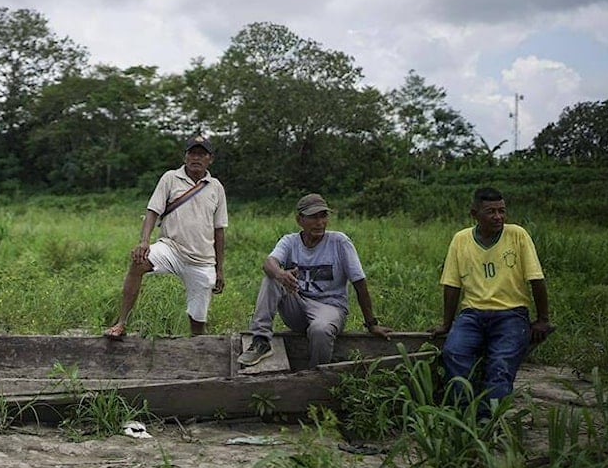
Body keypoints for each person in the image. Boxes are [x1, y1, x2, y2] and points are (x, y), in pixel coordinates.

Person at [238, 193, 392, 368]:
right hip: (298, 307)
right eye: (313, 217)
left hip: (330, 308)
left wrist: (371, 324)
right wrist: (281, 274)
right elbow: (269, 263)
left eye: (323, 216)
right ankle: (261, 341)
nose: (319, 223)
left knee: (320, 330)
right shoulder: (290, 241)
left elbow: (359, 283)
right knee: (272, 277)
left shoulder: (339, 242)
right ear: (299, 220)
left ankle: (315, 375)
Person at [437, 187, 553, 416]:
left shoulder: (517, 235)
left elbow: (536, 279)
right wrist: (446, 325)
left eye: (502, 211)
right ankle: (462, 413)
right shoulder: (461, 240)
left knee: (500, 365)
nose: (498, 217)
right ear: (475, 214)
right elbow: (452, 285)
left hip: (511, 314)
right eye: (491, 212)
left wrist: (542, 319)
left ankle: (486, 420)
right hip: (472, 314)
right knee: (453, 353)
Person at [103, 136, 227, 339]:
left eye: (201, 154)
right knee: (138, 262)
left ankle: (198, 345)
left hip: (202, 260)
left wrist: (219, 268)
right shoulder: (170, 178)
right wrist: (144, 241)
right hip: (171, 247)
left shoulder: (216, 187)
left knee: (198, 320)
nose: (196, 158)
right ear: (185, 156)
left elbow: (219, 230)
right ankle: (121, 322)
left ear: (210, 159)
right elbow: (153, 211)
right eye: (192, 153)